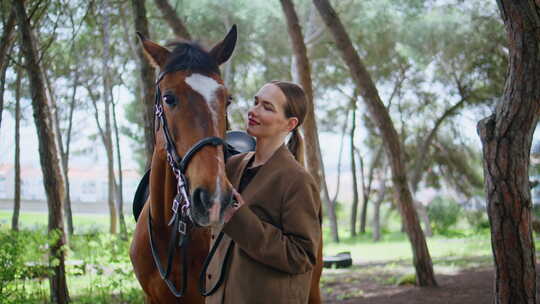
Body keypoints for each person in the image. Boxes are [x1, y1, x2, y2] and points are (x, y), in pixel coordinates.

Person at [205, 81, 322, 304]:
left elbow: (302, 256)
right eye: (255, 102)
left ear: (290, 124)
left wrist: (238, 217)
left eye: (267, 107)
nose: (253, 111)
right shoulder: (232, 166)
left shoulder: (297, 181)